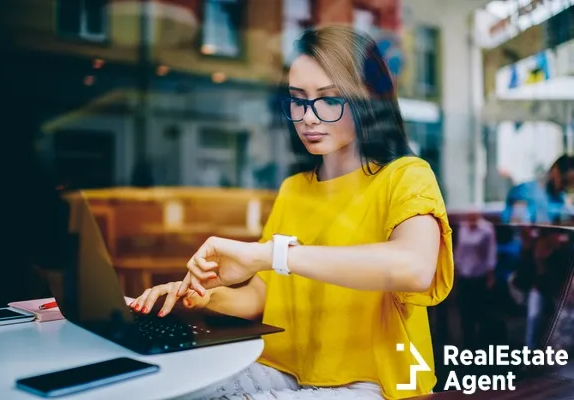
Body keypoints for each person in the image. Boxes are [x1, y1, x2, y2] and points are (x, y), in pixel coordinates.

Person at [131, 26, 454, 400]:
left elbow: (414, 268)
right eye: (297, 100)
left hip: (376, 381)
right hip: (286, 367)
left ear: (367, 99)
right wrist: (203, 297)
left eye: (329, 99)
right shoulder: (294, 188)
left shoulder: (407, 176)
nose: (308, 117)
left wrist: (270, 255)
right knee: (164, 389)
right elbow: (264, 295)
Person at [453, 210, 496, 349]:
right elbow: (459, 250)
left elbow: (491, 252)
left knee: (480, 312)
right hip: (465, 275)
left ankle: (481, 344)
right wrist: (456, 270)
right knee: (465, 313)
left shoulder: (486, 229)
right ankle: (468, 344)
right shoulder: (463, 227)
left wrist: (490, 276)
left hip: (480, 275)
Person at [502, 154, 574, 225]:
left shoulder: (560, 198)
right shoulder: (525, 191)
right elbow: (518, 225)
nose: (567, 188)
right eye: (565, 181)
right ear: (555, 171)